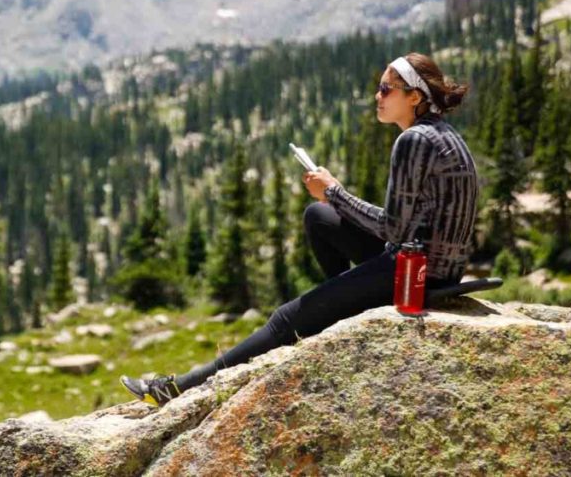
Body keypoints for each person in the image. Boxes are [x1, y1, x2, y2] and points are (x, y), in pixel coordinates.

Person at [120, 52, 479, 406]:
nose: (377, 96)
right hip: (434, 268)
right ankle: (338, 306)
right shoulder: (442, 134)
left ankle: (178, 389)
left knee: (284, 320)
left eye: (386, 89)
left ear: (414, 97)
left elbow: (393, 229)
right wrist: (333, 199)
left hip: (413, 274)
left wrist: (335, 192)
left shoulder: (413, 140)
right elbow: (406, 225)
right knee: (319, 216)